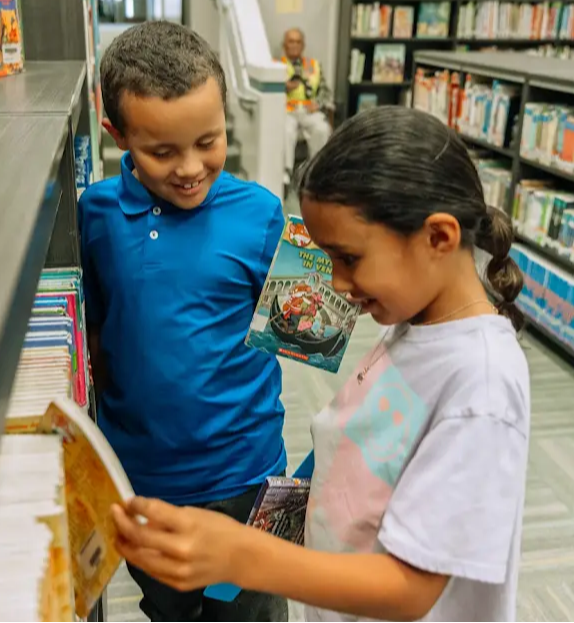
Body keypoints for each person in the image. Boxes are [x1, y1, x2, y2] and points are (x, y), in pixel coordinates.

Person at [111, 106, 532, 623]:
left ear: (438, 239)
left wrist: (240, 555)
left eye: (348, 259)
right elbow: (359, 449)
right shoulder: (414, 323)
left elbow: (410, 589)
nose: (333, 284)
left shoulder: (481, 390)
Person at [79, 21, 289, 623]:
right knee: (168, 611)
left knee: (254, 615)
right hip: (146, 483)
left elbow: (314, 339)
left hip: (251, 473)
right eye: (162, 151)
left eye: (209, 140)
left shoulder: (263, 212)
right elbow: (95, 334)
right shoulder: (95, 214)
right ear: (117, 135)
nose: (191, 168)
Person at [281, 27, 332, 184]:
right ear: (284, 45)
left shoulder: (313, 65)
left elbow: (326, 92)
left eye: (298, 42)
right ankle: (285, 173)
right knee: (286, 130)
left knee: (322, 129)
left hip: (310, 112)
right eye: (291, 41)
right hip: (287, 111)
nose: (295, 45)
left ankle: (317, 171)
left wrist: (318, 104)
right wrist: (283, 87)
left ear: (303, 45)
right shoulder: (277, 66)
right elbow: (269, 95)